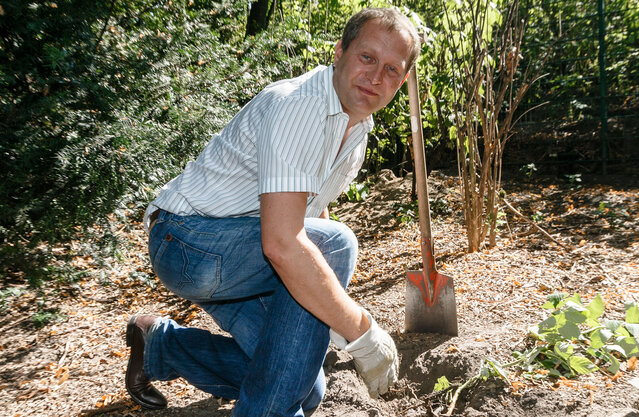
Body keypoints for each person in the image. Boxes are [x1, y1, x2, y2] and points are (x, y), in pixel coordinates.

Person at [124, 8, 421, 416]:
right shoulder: (300, 106)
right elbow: (284, 242)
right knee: (336, 243)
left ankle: (160, 345)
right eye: (367, 58)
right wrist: (360, 331)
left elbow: (309, 216)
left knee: (300, 381)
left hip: (238, 258)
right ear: (339, 52)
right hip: (190, 243)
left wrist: (326, 309)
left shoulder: (356, 129)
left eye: (391, 69)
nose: (376, 77)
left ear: (402, 81)